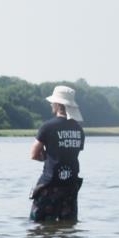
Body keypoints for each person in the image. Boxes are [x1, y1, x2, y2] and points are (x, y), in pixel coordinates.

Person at [29, 86, 85, 222]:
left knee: (38, 227)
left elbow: (33, 154)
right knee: (68, 228)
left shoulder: (48, 126)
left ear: (58, 104)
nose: (51, 105)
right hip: (70, 186)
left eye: (52, 102)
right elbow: (72, 153)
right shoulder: (78, 129)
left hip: (50, 185)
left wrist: (47, 157)